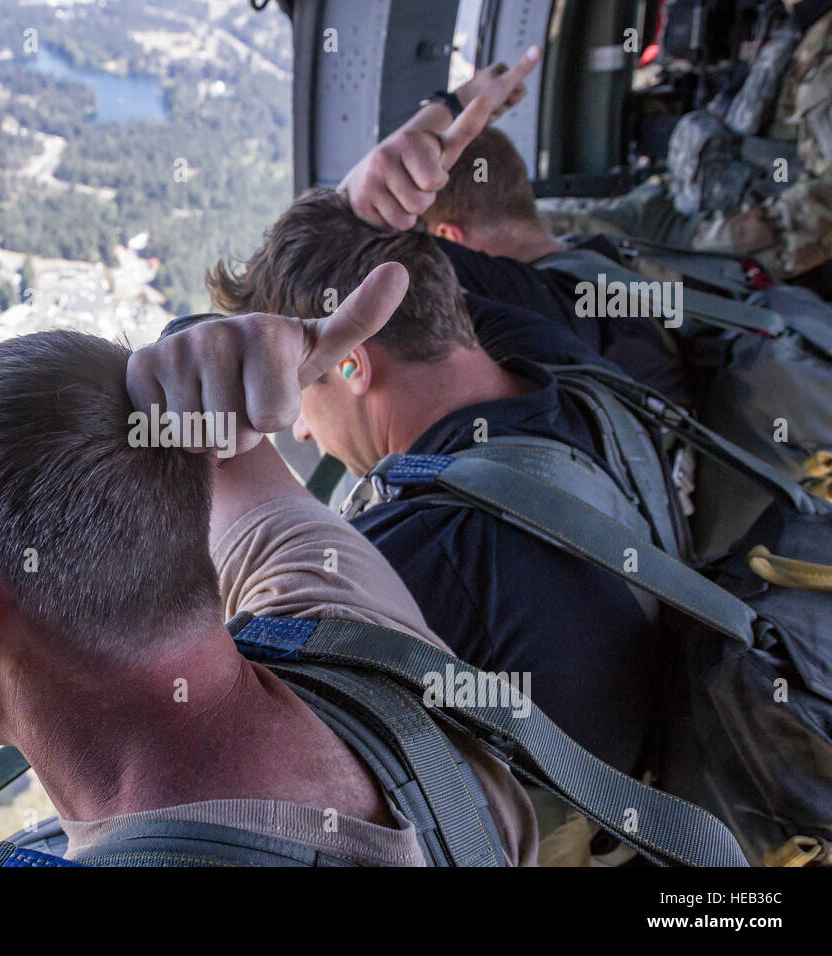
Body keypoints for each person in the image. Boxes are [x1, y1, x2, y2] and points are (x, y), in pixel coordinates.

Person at [0, 266, 538, 866]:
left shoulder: (328, 602)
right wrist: (207, 347)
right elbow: (216, 439)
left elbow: (212, 435)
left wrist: (207, 350)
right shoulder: (347, 623)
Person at [206, 193, 666, 786]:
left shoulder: (418, 555)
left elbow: (215, 735)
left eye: (298, 397)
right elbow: (405, 265)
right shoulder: (564, 367)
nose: (299, 428)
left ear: (352, 366)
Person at [339, 57, 691, 404]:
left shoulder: (540, 310)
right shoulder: (601, 256)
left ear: (450, 238)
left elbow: (340, 244)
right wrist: (457, 103)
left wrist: (457, 104)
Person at [535, 0, 832, 290]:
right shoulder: (788, 26)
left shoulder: (821, 50)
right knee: (543, 221)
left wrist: (733, 245)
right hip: (683, 199)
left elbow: (823, 203)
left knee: (570, 250)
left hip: (723, 236)